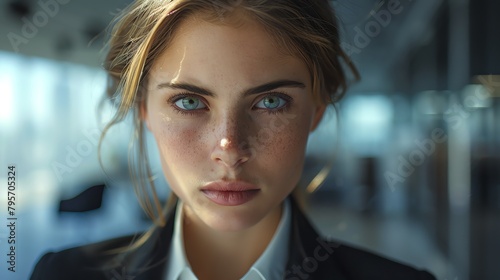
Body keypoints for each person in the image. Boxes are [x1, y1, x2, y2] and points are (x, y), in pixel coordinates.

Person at [30, 0, 437, 279]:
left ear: (316, 109)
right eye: (189, 101)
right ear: (143, 110)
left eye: (271, 101)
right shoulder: (62, 275)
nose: (230, 149)